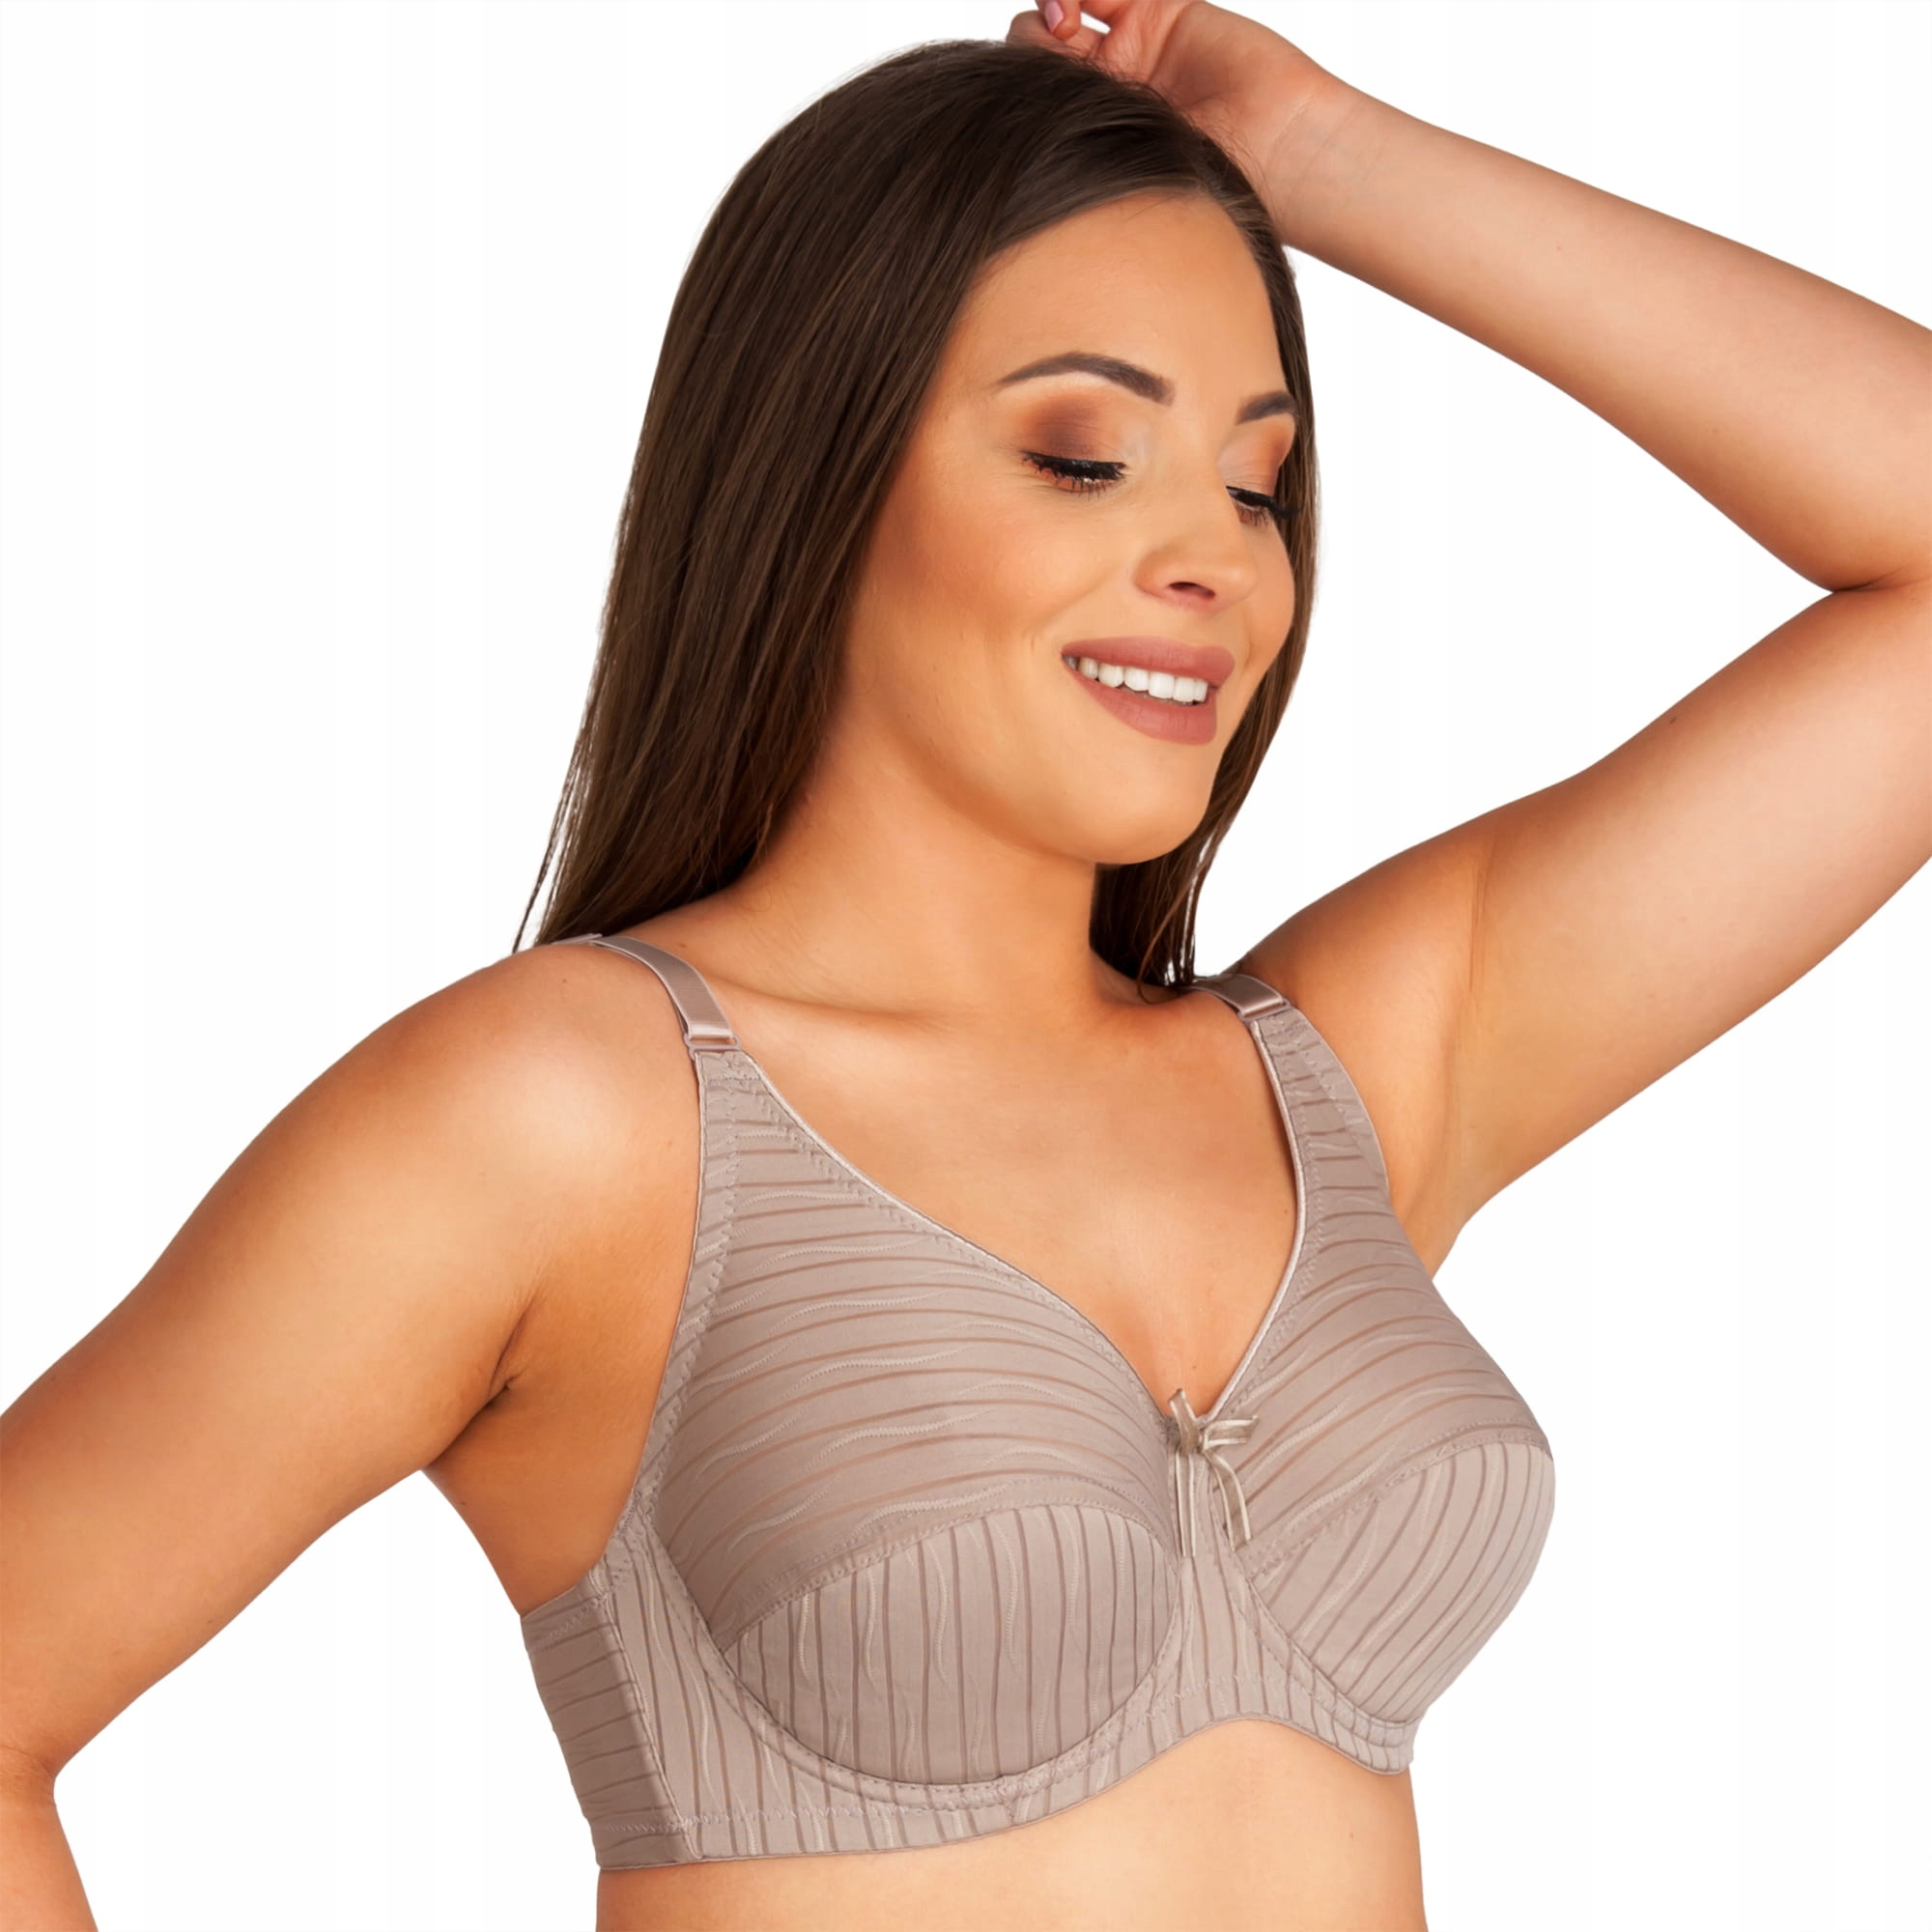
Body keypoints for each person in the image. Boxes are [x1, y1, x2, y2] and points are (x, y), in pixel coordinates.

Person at [2, 1, 1926, 1926]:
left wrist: (1321, 158)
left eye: (1256, 481)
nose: (1216, 558)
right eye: (1084, 458)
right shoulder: (565, 1115)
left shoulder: (1350, 1077)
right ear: (817, 474)